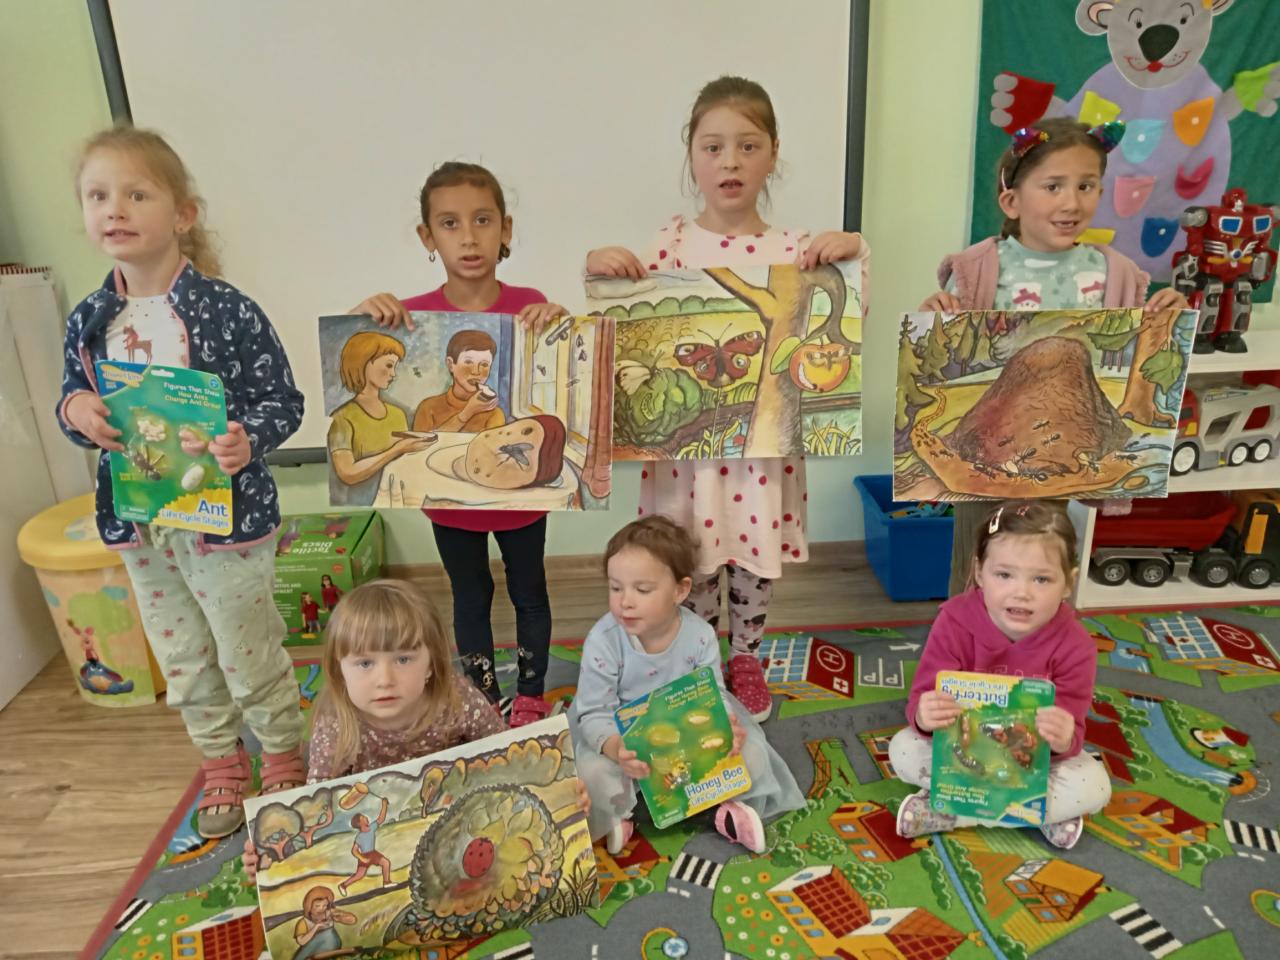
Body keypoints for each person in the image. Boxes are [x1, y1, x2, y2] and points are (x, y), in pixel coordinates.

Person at [584, 76, 869, 722]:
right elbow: (616, 314)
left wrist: (855, 252)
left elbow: (847, 321)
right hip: (687, 465)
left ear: (773, 154)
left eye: (748, 145)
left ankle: (746, 658)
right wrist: (601, 265)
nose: (730, 162)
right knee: (691, 556)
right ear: (692, 155)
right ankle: (698, 656)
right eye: (713, 147)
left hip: (762, 456)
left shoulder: (797, 250)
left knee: (753, 555)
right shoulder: (669, 245)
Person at [57, 125, 305, 838]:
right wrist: (79, 412)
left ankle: (281, 753)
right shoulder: (89, 319)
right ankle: (221, 760)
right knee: (183, 656)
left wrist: (244, 439)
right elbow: (71, 399)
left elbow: (282, 401)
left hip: (224, 523)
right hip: (142, 522)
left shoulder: (228, 309)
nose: (115, 208)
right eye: (98, 196)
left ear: (183, 214)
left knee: (246, 647)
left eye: (136, 194)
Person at [918, 117, 1188, 596]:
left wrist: (1167, 316)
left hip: (1059, 446)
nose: (1071, 202)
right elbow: (947, 345)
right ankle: (969, 637)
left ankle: (1040, 635)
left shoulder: (1115, 272)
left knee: (1043, 559)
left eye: (1086, 186)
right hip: (991, 455)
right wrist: (935, 313)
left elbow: (1136, 347)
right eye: (1053, 186)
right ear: (1012, 202)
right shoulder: (979, 267)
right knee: (979, 562)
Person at [351, 162, 566, 726]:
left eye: (483, 220)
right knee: (470, 596)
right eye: (450, 224)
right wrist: (359, 321)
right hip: (450, 502)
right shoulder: (409, 318)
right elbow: (356, 367)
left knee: (530, 592)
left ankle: (531, 694)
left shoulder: (530, 304)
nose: (468, 237)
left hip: (521, 498)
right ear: (428, 237)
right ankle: (483, 696)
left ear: (506, 229)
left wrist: (560, 324)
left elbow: (559, 378)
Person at [242, 579, 590, 880]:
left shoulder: (456, 698)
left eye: (403, 659)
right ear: (339, 672)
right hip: (377, 830)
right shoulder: (336, 724)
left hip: (455, 817)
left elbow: (506, 755)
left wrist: (561, 796)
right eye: (364, 663)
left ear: (431, 665)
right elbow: (316, 806)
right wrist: (269, 856)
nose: (384, 679)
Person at [569, 516, 804, 855]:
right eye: (615, 588)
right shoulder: (603, 641)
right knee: (590, 774)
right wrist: (616, 749)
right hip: (626, 742)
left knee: (752, 757)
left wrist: (725, 728)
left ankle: (710, 811)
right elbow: (593, 714)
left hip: (687, 742)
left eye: (642, 590)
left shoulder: (700, 636)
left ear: (680, 591)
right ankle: (632, 813)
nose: (625, 601)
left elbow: (713, 696)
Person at [889, 501, 1112, 849]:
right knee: (903, 750)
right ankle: (1034, 814)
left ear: (1068, 583)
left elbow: (1072, 736)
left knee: (1095, 786)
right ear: (979, 572)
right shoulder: (954, 622)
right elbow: (921, 700)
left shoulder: (1076, 645)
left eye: (1041, 579)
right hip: (964, 754)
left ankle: (954, 812)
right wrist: (923, 716)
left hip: (1031, 764)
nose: (1022, 592)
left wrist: (1063, 738)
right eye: (1004, 575)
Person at [327, 330, 433, 505]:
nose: (393, 374)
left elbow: (404, 466)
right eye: (389, 365)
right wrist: (397, 450)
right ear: (363, 363)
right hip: (364, 505)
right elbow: (347, 473)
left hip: (399, 501)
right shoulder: (342, 418)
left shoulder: (397, 414)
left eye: (395, 367)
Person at [338, 796, 392, 896]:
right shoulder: (359, 837)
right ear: (359, 823)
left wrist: (384, 805)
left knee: (386, 863)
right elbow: (354, 851)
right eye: (363, 817)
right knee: (359, 875)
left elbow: (381, 819)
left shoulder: (372, 827)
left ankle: (386, 882)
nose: (366, 818)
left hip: (373, 853)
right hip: (364, 855)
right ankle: (343, 885)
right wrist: (362, 858)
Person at [292, 886, 356, 960]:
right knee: (328, 934)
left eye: (325, 905)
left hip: (331, 949)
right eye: (317, 906)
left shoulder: (328, 913)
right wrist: (316, 927)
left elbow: (353, 920)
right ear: (309, 906)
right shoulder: (304, 922)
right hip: (310, 953)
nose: (321, 909)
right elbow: (301, 942)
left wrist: (340, 917)